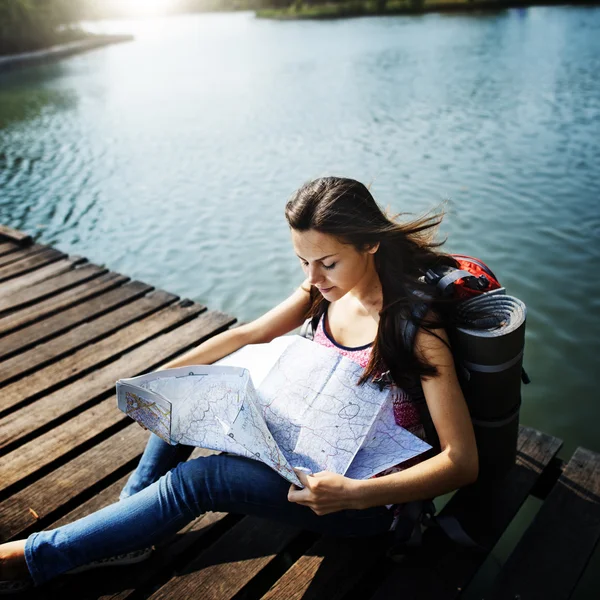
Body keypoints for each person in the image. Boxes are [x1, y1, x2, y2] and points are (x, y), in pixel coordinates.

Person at [0, 177, 478, 590]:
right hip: (300, 444)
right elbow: (248, 334)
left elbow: (461, 463)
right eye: (302, 261)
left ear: (369, 244)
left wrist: (351, 495)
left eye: (326, 262)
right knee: (186, 396)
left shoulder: (416, 328)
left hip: (359, 497)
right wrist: (159, 380)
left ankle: (33, 558)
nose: (313, 277)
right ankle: (132, 525)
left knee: (201, 480)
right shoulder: (321, 290)